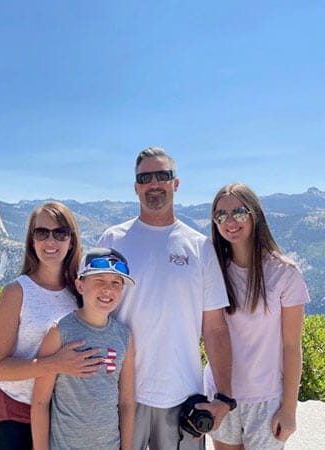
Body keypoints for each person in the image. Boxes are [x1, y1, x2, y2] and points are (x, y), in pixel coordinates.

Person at [97, 147, 235, 450]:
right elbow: (94, 317)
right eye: (145, 177)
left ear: (176, 183)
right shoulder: (113, 241)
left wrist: (224, 397)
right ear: (135, 187)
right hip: (121, 395)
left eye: (163, 175)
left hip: (182, 398)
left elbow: (214, 328)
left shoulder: (199, 247)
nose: (154, 183)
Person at [0, 201, 103, 450]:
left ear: (72, 241)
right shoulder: (16, 292)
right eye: (41, 232)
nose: (50, 241)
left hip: (61, 421)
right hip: (12, 421)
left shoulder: (79, 294)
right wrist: (54, 364)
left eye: (60, 233)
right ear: (32, 241)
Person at [204, 182, 310, 450]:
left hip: (266, 398)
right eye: (220, 215)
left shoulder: (285, 273)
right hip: (221, 394)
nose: (229, 221)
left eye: (238, 212)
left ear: (254, 215)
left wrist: (289, 409)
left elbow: (291, 346)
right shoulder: (212, 270)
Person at [31, 247, 136, 450]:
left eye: (116, 282)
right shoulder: (60, 332)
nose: (108, 289)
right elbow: (40, 402)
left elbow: (127, 402)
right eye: (99, 280)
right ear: (80, 286)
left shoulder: (124, 337)